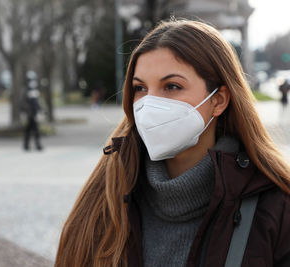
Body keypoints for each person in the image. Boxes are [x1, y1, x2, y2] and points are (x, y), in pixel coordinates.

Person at [55, 19, 290, 267]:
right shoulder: (104, 199)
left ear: (218, 100)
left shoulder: (276, 208)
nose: (150, 104)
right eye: (140, 88)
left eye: (172, 86)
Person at [22, 71, 43, 151]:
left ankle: (29, 145)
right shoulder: (26, 90)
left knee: (31, 129)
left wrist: (41, 110)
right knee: (32, 129)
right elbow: (23, 103)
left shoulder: (35, 90)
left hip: (34, 114)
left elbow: (38, 102)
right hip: (30, 114)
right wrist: (27, 112)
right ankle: (33, 145)